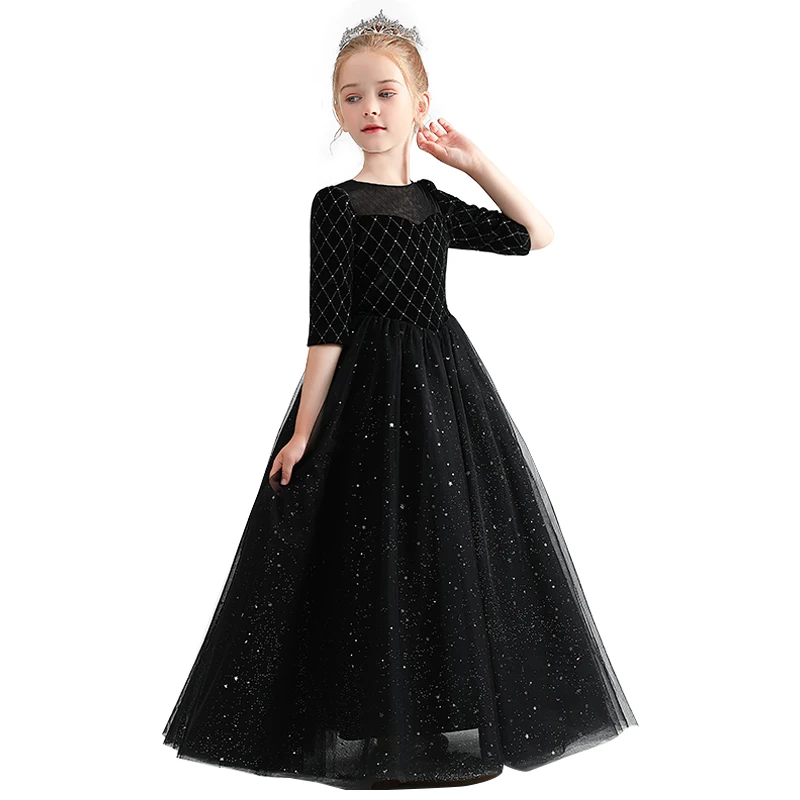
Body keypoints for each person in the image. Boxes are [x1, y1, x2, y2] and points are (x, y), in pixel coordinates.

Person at [162, 9, 637, 791]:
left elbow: (535, 234)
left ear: (420, 105)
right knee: (364, 551)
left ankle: (443, 722)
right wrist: (304, 432)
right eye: (351, 97)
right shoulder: (336, 205)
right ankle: (368, 725)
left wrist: (475, 163)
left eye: (386, 93)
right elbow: (327, 326)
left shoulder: (433, 205)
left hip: (444, 395)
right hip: (360, 397)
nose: (369, 109)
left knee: (442, 546)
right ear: (337, 110)